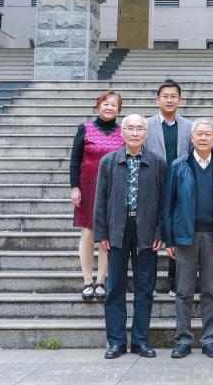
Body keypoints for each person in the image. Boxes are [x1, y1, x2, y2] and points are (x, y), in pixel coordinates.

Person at [94, 114, 167, 360]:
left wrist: (160, 231)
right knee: (115, 286)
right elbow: (100, 200)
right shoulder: (108, 162)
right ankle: (116, 341)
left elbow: (163, 202)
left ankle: (140, 341)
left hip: (146, 229)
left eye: (139, 129)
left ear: (146, 133)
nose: (135, 133)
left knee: (145, 288)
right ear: (122, 132)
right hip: (117, 228)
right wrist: (101, 233)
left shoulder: (157, 163)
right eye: (130, 128)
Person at [161, 118, 213, 359]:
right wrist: (169, 239)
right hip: (185, 237)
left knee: (211, 289)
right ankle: (183, 340)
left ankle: (210, 340)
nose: (203, 138)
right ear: (191, 138)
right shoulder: (178, 166)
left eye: (207, 134)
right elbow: (168, 205)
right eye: (198, 134)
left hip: (212, 237)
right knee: (184, 291)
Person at [69, 91, 125, 302]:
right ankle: (87, 281)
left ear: (119, 110)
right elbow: (75, 160)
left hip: (114, 189)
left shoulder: (123, 132)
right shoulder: (85, 129)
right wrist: (74, 187)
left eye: (114, 105)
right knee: (88, 233)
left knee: (107, 235)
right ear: (98, 106)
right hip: (88, 186)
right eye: (106, 103)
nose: (109, 107)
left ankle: (101, 281)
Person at [146, 79, 193, 295]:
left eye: (173, 96)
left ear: (180, 99)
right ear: (157, 99)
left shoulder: (189, 127)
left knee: (177, 233)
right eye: (165, 96)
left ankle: (175, 283)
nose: (169, 100)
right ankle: (149, 283)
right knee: (150, 233)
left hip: (179, 187)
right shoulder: (146, 125)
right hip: (153, 186)